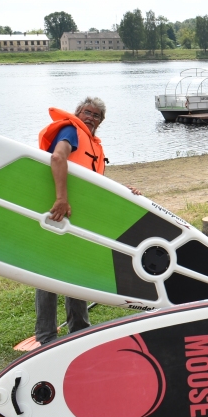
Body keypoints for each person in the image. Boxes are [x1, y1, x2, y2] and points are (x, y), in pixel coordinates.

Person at [33, 97, 140, 346]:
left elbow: (94, 183)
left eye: (96, 116)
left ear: (101, 122)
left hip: (79, 216)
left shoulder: (92, 143)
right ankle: (46, 335)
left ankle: (79, 328)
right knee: (48, 271)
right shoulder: (71, 130)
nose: (91, 117)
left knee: (77, 271)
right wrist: (61, 199)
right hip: (58, 210)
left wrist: (125, 191)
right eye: (87, 112)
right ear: (77, 112)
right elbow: (58, 158)